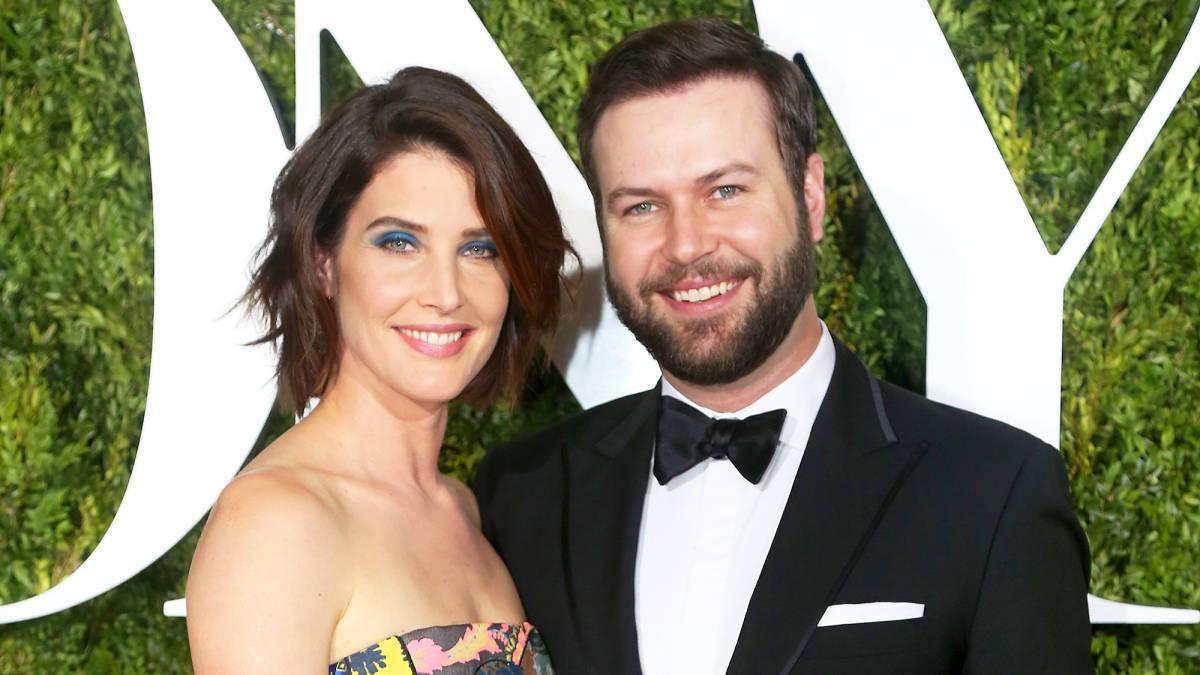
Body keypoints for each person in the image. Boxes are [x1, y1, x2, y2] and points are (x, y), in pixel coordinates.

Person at [472, 17, 1093, 675]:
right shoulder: (521, 495)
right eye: (641, 207)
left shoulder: (995, 495)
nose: (687, 244)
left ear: (810, 196)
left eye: (725, 190)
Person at [186, 67, 571, 674]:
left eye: (480, 249)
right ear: (323, 263)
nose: (445, 293)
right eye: (399, 243)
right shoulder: (276, 520)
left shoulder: (461, 509)